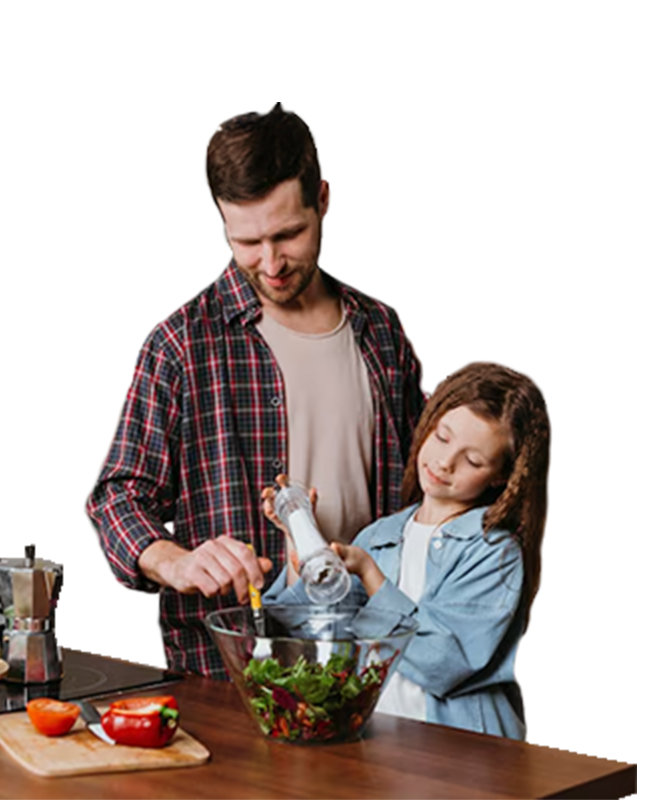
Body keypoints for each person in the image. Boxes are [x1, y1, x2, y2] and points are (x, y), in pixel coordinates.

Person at [88, 107, 429, 678]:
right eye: (247, 241)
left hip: (379, 661)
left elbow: (429, 491)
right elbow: (118, 497)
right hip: (235, 671)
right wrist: (174, 561)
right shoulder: (182, 343)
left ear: (322, 199)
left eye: (288, 234)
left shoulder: (381, 331)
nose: (270, 264)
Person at [260, 362, 550, 739]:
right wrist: (302, 544)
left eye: (473, 460)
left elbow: (445, 662)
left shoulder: (494, 553)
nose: (445, 462)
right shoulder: (378, 537)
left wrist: (372, 578)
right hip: (379, 746)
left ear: (500, 476)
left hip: (464, 755)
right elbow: (312, 629)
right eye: (442, 437)